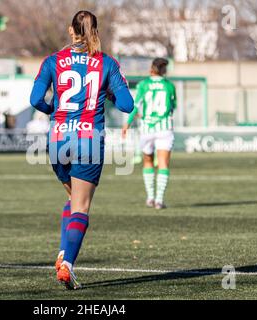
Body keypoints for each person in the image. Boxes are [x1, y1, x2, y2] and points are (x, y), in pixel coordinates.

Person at [30, 10, 134, 290]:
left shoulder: (53, 61)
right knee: (81, 206)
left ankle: (64, 251)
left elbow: (35, 98)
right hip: (89, 138)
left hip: (58, 139)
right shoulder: (106, 63)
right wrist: (110, 92)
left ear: (70, 31)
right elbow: (127, 105)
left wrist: (53, 110)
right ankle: (67, 264)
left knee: (72, 198)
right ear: (95, 31)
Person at [122, 58, 177, 210]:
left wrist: (128, 123)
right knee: (163, 164)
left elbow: (135, 106)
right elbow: (172, 107)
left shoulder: (143, 85)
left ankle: (150, 197)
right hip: (164, 128)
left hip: (147, 128)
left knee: (147, 161)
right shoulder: (169, 86)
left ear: (151, 69)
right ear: (164, 71)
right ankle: (159, 200)